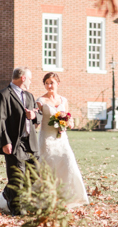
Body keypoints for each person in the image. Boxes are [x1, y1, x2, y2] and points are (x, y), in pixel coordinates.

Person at [0, 67, 40, 215]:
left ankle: (8, 192)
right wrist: (5, 142)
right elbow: (1, 121)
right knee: (17, 176)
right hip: (14, 142)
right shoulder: (3, 95)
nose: (30, 81)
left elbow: (38, 116)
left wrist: (33, 116)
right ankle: (16, 209)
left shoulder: (29, 96)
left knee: (36, 174)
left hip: (31, 142)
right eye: (29, 78)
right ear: (23, 78)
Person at [35, 72, 89, 208]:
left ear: (57, 83)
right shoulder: (40, 101)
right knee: (48, 165)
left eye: (51, 82)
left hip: (61, 138)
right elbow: (37, 120)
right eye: (46, 83)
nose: (49, 86)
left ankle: (68, 196)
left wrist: (67, 124)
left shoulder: (63, 100)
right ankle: (46, 198)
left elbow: (69, 119)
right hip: (47, 138)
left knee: (67, 161)